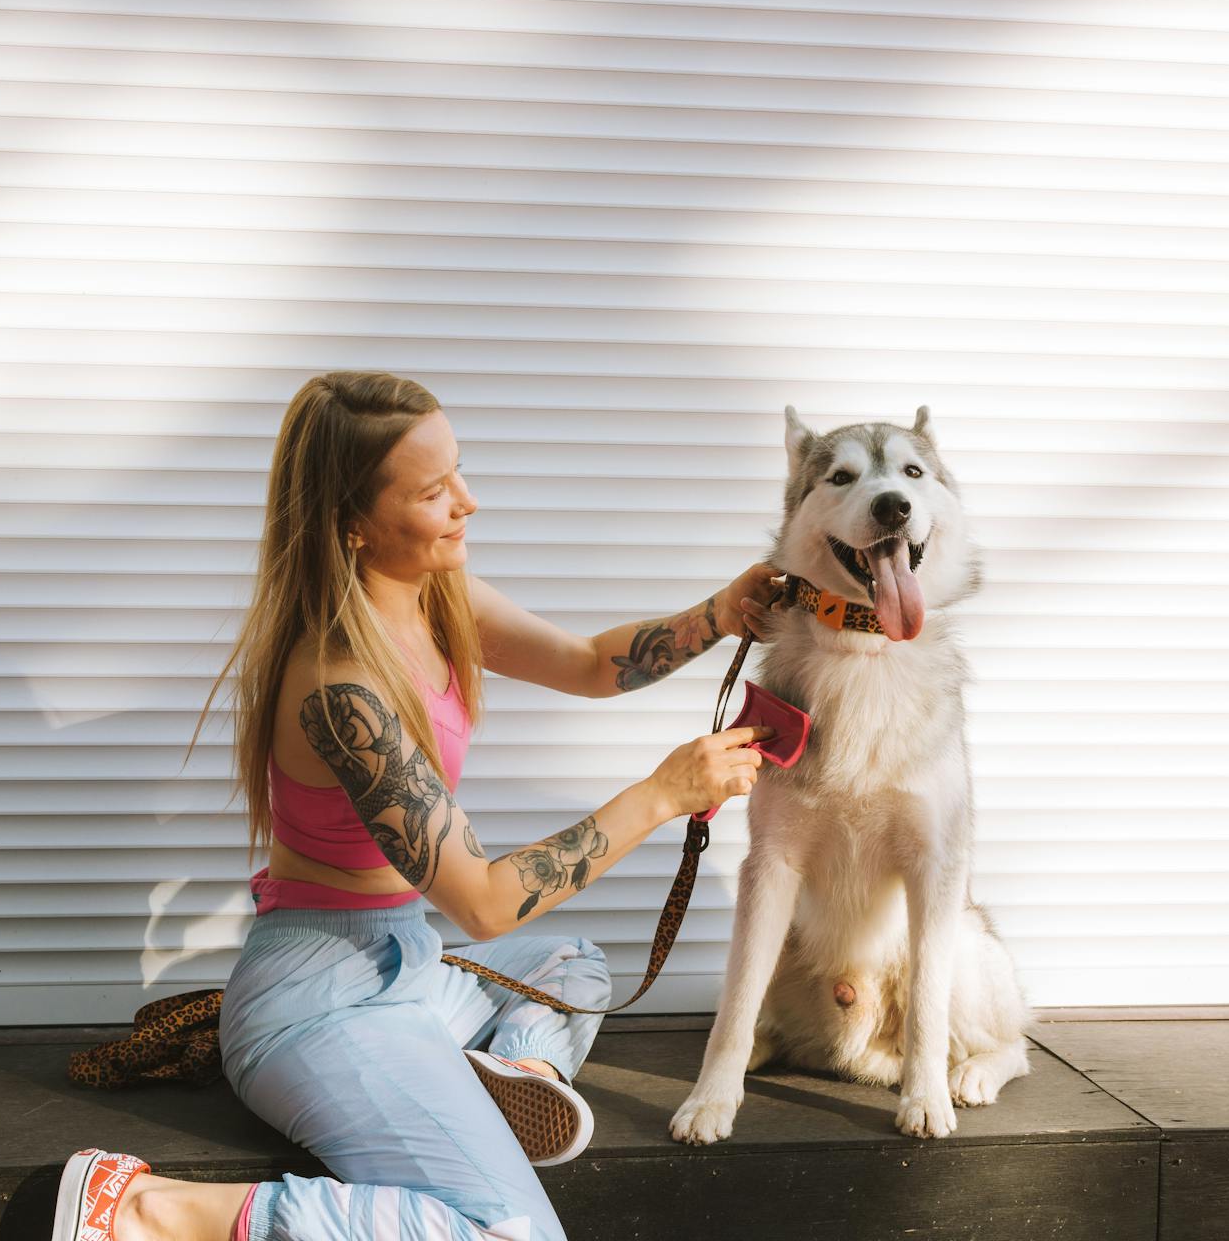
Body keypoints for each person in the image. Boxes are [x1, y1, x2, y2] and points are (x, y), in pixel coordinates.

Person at [54, 371, 788, 1241]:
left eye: (460, 474)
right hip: (319, 998)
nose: (468, 503)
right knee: (514, 1234)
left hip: (407, 961)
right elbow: (480, 901)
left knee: (572, 965)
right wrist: (664, 794)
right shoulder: (341, 685)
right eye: (435, 491)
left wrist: (721, 612)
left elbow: (592, 664)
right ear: (351, 523)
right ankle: (146, 1209)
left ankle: (498, 1075)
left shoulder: (435, 600)